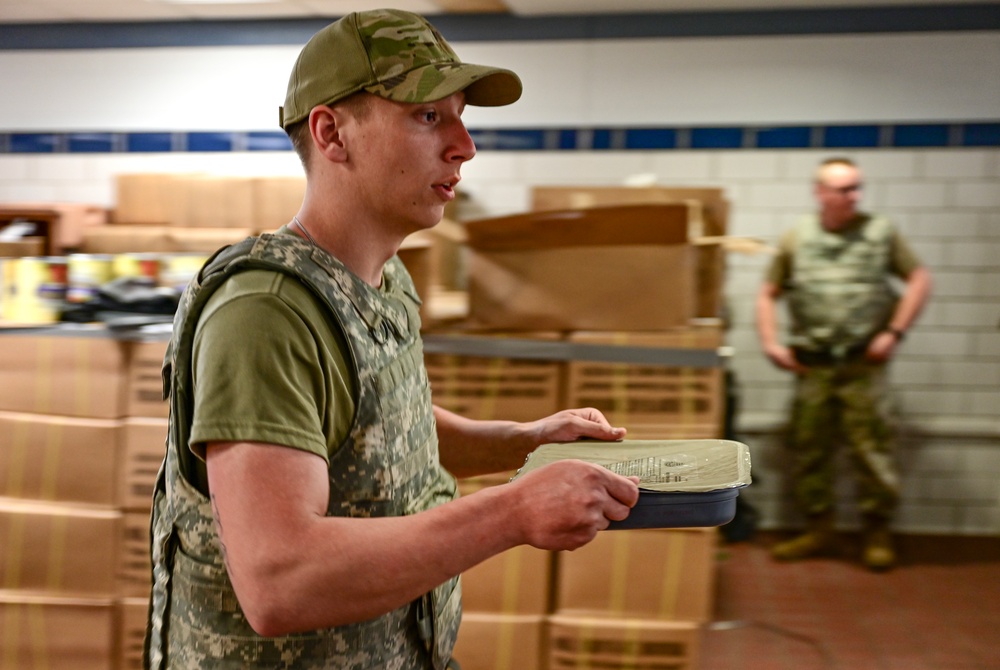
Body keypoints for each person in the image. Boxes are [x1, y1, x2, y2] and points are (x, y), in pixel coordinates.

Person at [143, 9, 640, 670]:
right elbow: (279, 580)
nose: (464, 145)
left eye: (460, 117)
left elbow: (373, 426)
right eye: (428, 117)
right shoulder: (263, 314)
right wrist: (511, 513)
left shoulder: (381, 279)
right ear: (332, 134)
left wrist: (522, 444)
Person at [755, 157, 931, 571]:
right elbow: (768, 292)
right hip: (813, 363)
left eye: (857, 188)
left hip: (861, 364)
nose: (854, 196)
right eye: (844, 189)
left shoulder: (880, 233)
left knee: (871, 449)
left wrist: (895, 332)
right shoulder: (797, 237)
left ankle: (877, 531)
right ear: (821, 193)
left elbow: (920, 279)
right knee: (810, 448)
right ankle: (820, 527)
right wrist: (770, 341)